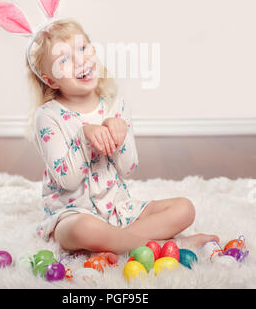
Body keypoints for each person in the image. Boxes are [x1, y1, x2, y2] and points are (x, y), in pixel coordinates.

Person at [26, 19, 219, 255]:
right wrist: (84, 137)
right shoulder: (47, 116)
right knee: (83, 229)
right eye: (63, 60)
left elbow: (128, 168)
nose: (79, 60)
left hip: (119, 210)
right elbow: (68, 182)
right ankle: (171, 246)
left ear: (93, 50)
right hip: (72, 213)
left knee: (185, 209)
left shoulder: (115, 106)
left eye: (82, 48)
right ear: (50, 80)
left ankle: (116, 241)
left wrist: (120, 132)